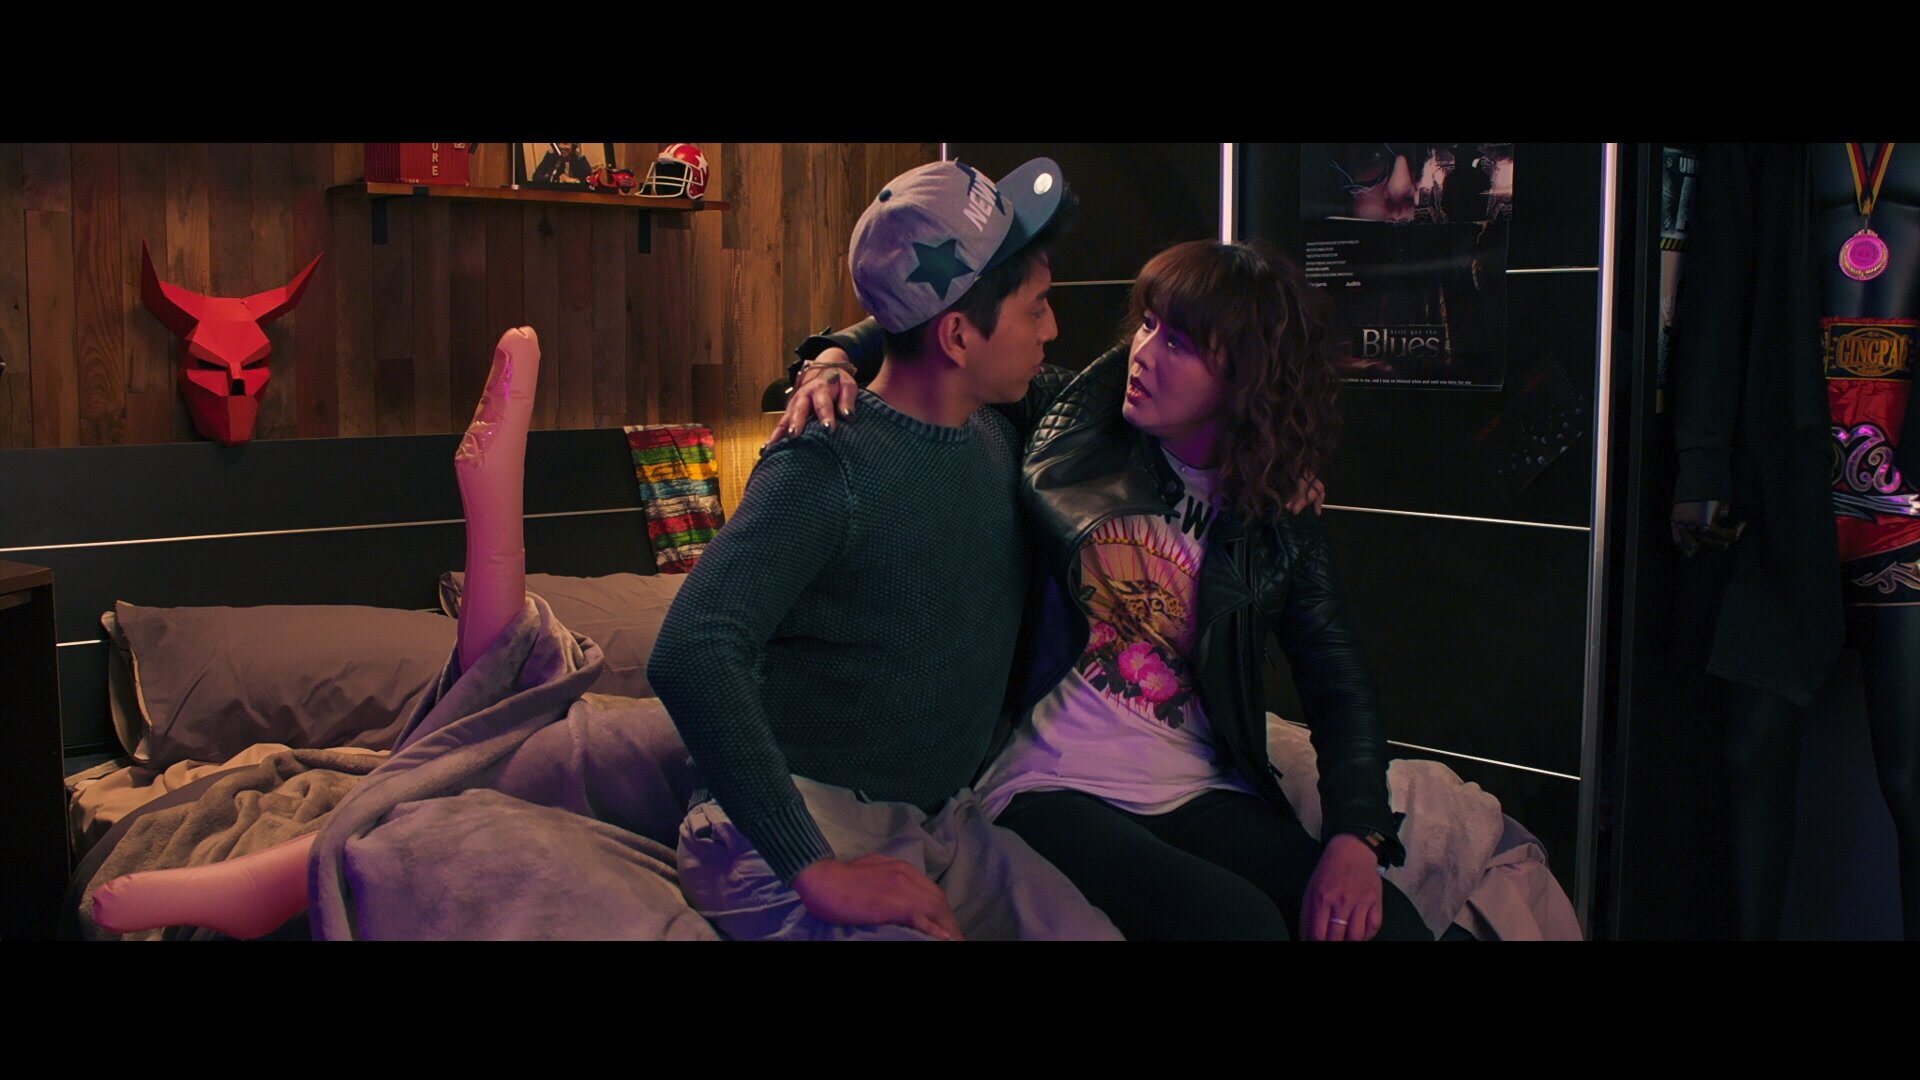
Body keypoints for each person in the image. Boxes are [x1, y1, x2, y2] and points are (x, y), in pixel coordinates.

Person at [784, 239, 1429, 941]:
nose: (1143, 353)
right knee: (1238, 923)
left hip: (1200, 785)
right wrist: (831, 357)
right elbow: (942, 327)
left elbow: (1339, 682)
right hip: (1049, 781)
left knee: (1387, 927)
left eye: (1178, 343)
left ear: (1246, 379)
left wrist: (1355, 836)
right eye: (1148, 324)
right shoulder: (1074, 424)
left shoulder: (1276, 509)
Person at [645, 157, 1121, 941]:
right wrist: (813, 868)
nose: (1052, 329)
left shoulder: (1000, 427)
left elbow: (1130, 397)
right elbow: (692, 648)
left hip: (941, 823)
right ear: (959, 336)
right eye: (1037, 308)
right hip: (795, 828)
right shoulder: (825, 461)